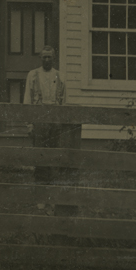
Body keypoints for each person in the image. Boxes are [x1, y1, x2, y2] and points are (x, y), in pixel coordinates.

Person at [23, 45, 78, 214]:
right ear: (40, 58)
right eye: (44, 57)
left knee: (54, 159)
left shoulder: (60, 76)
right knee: (40, 159)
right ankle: (41, 197)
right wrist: (30, 123)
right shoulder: (33, 75)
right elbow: (27, 99)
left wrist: (61, 123)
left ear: (54, 58)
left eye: (50, 57)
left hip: (55, 122)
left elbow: (64, 101)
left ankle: (53, 198)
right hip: (39, 121)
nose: (47, 60)